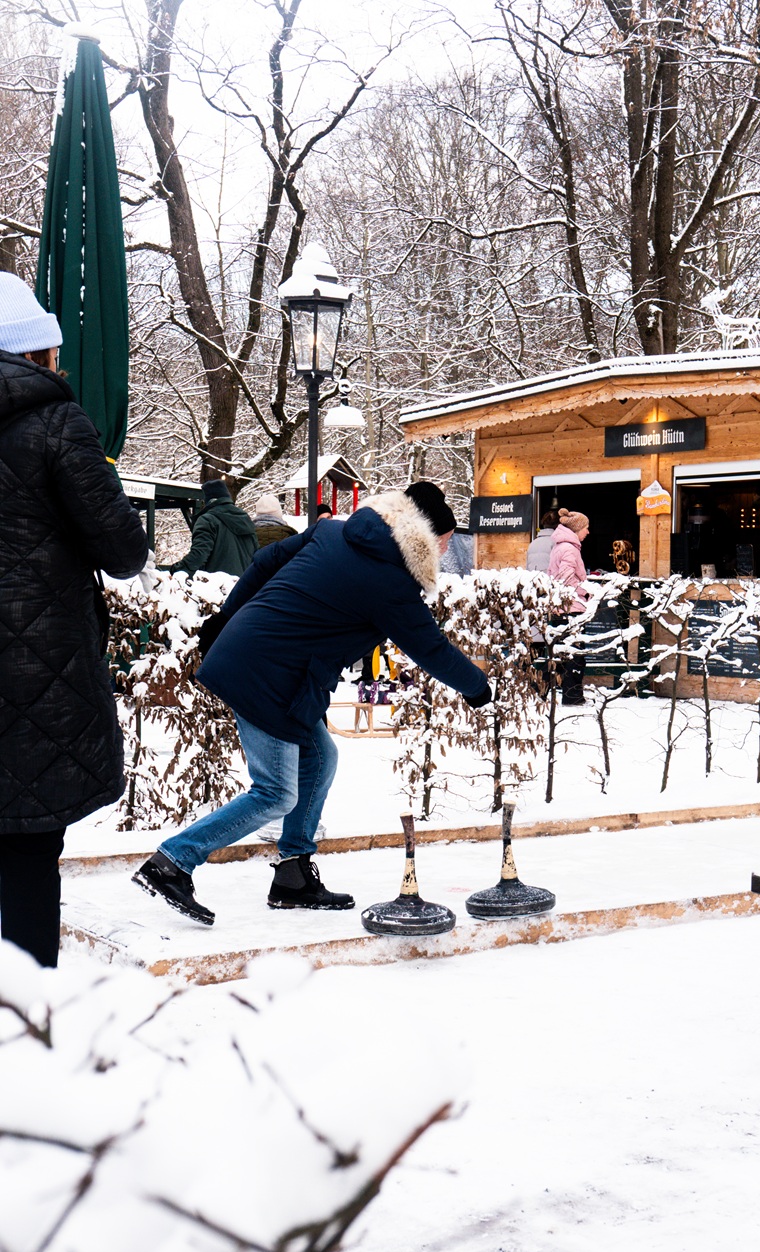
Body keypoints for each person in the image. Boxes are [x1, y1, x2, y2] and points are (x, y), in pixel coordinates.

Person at [132, 481, 491, 925]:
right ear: (425, 535)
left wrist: (226, 619)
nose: (446, 548)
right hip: (269, 675)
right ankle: (172, 861)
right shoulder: (391, 581)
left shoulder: (332, 532)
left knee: (320, 757)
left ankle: (293, 874)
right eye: (446, 538)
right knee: (276, 792)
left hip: (267, 663)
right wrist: (477, 687)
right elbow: (431, 648)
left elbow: (265, 560)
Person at [0, 273, 149, 967]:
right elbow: (123, 550)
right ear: (35, 354)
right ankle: (25, 1033)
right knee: (29, 854)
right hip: (37, 682)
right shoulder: (58, 423)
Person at [161, 477, 258, 576]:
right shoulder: (245, 520)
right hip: (244, 586)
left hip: (218, 586)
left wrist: (177, 570)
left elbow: (199, 555)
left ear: (207, 500)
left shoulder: (208, 520)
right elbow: (256, 557)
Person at [548, 507, 590, 706]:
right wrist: (586, 591)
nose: (588, 532)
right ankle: (573, 697)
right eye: (586, 528)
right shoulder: (569, 548)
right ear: (577, 529)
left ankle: (569, 694)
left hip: (561, 607)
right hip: (570, 608)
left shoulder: (561, 546)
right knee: (575, 656)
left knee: (566, 654)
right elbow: (565, 578)